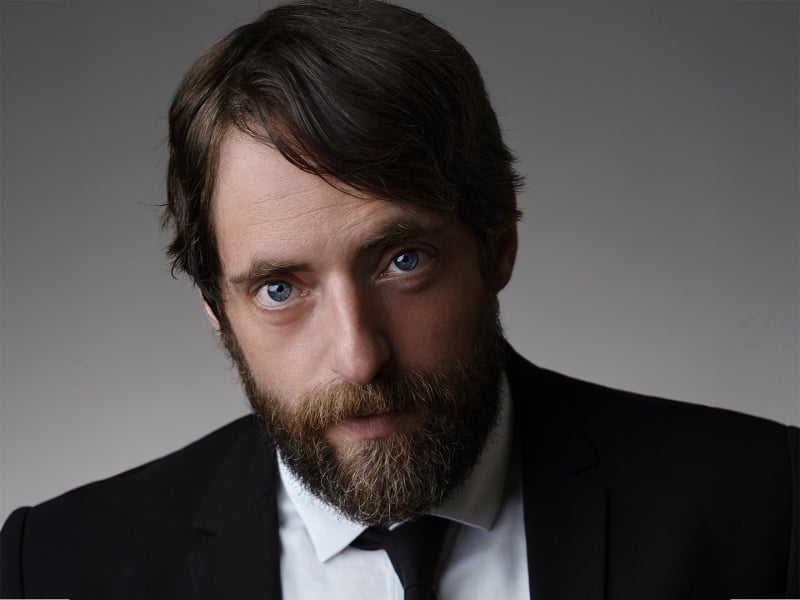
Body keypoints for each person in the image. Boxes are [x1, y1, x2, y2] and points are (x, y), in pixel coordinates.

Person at [1, 1, 797, 598]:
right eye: (279, 289)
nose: (359, 357)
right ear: (216, 309)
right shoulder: (56, 568)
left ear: (497, 244)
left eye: (402, 260)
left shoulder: (767, 507)